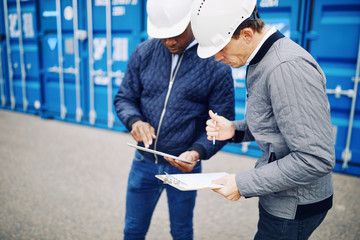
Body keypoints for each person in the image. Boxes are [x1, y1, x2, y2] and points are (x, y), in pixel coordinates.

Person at [190, 0, 335, 239]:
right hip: (282, 196)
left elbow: (315, 158)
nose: (217, 57)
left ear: (246, 34)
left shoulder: (285, 68)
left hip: (293, 207)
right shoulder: (264, 59)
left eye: (220, 48)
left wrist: (241, 183)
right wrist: (234, 130)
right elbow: (279, 122)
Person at [113, 0, 235, 239]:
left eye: (175, 34)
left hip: (186, 167)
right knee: (133, 230)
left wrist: (197, 152)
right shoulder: (143, 53)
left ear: (192, 21)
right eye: (162, 35)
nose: (169, 41)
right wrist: (134, 121)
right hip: (144, 161)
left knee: (181, 231)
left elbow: (222, 124)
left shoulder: (216, 64)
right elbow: (124, 98)